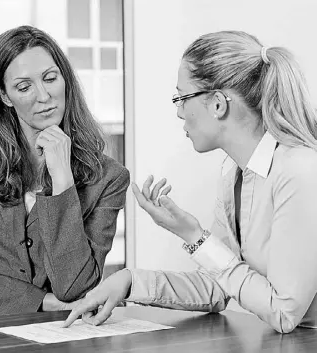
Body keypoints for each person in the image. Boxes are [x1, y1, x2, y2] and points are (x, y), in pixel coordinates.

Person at [63, 30, 317, 334]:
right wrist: (130, 281)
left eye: (182, 97)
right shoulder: (233, 174)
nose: (179, 111)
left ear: (218, 104)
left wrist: (195, 236)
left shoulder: (298, 171)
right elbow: (218, 285)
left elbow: (283, 312)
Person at [0, 25, 130, 319]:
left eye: (50, 78)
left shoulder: (108, 178)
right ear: (4, 96)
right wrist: (42, 302)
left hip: (56, 335)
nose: (44, 96)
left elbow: (74, 288)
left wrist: (63, 181)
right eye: (24, 87)